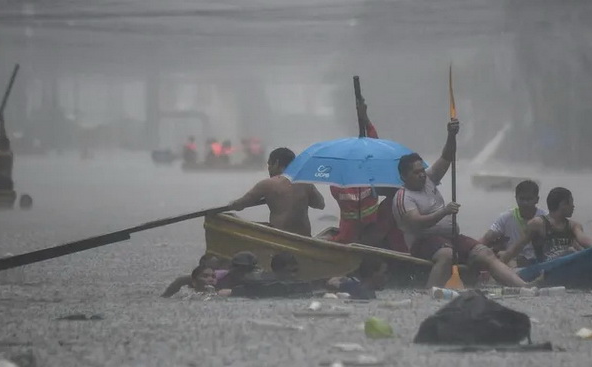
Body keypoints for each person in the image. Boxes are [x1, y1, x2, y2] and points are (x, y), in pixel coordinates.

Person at [392, 120, 539, 289]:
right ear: (404, 176)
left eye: (422, 171)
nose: (421, 175)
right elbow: (416, 222)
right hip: (423, 242)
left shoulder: (429, 179)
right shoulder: (403, 197)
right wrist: (444, 212)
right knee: (447, 254)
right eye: (415, 173)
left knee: (485, 253)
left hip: (452, 238)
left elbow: (447, 157)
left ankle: (524, 286)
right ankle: (430, 293)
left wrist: (451, 135)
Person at [228, 147, 325, 236]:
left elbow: (240, 205)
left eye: (269, 165)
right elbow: (320, 205)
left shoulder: (267, 184)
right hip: (305, 238)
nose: (269, 169)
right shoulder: (305, 182)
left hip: (280, 236)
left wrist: (232, 204)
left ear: (277, 163)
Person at [500, 187, 592, 265]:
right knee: (570, 251)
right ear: (562, 205)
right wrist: (499, 265)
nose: (573, 206)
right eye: (571, 203)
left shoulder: (573, 225)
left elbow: (583, 240)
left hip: (570, 259)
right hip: (547, 265)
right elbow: (516, 248)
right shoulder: (537, 224)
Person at [328, 100, 380, 244]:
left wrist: (365, 118)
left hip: (358, 235)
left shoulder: (336, 182)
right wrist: (365, 118)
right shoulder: (367, 176)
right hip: (351, 236)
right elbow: (373, 144)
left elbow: (373, 144)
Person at [480, 180, 545, 267]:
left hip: (539, 261)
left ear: (537, 200)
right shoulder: (506, 217)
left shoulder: (545, 218)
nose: (525, 203)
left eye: (529, 199)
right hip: (512, 259)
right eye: (522, 199)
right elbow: (487, 237)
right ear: (516, 198)